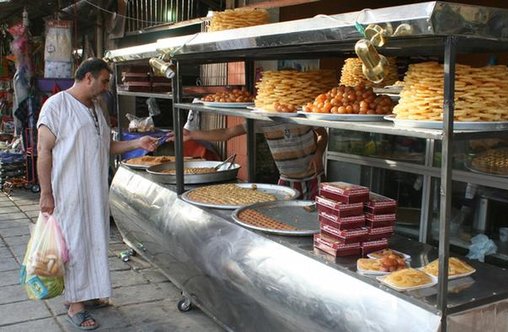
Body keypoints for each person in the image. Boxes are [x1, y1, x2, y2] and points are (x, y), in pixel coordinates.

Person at [37, 58, 159, 330]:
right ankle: (75, 305)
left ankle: (87, 292)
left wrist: (137, 142)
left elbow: (106, 145)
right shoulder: (56, 106)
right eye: (104, 81)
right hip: (68, 191)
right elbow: (44, 151)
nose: (106, 87)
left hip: (94, 189)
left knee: (94, 241)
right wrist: (46, 192)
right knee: (75, 243)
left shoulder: (97, 108)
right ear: (88, 77)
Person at [180, 110, 327, 199]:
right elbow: (227, 133)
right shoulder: (264, 121)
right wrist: (192, 134)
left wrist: (318, 154)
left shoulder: (303, 116)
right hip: (286, 180)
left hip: (315, 178)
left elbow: (323, 134)